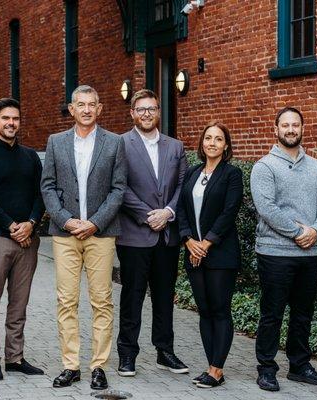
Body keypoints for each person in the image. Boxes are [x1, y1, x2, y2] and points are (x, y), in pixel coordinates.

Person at [41, 85, 126, 390]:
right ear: (72, 109)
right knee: (67, 301)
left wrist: (95, 222)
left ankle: (99, 366)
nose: (87, 109)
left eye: (92, 104)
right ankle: (70, 365)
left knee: (102, 301)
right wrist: (65, 220)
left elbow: (119, 189)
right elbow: (47, 187)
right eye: (81, 104)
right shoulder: (56, 142)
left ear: (99, 109)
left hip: (100, 235)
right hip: (65, 235)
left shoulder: (115, 143)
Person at [251, 107, 317, 391]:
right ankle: (266, 368)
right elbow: (267, 208)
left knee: (303, 313)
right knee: (272, 313)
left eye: (295, 124)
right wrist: (299, 232)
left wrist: (316, 230)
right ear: (275, 130)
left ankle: (299, 365)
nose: (290, 129)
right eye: (285, 125)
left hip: (309, 253)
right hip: (275, 253)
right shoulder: (265, 166)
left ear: (302, 128)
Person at [115, 89, 189, 378]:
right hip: (134, 235)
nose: (147, 114)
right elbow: (119, 186)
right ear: (132, 113)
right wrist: (148, 215)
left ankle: (164, 351)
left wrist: (168, 212)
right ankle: (127, 354)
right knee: (132, 296)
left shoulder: (175, 147)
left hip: (167, 236)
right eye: (141, 109)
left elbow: (183, 185)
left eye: (152, 108)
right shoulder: (120, 144)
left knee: (164, 295)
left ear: (159, 112)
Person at [0, 98, 45, 381]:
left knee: (19, 304)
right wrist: (12, 225)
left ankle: (15, 358)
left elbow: (41, 194)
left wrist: (31, 224)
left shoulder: (29, 157)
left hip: (28, 241)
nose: (11, 123)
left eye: (15, 118)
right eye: (5, 118)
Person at [177, 122, 243, 388]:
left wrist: (206, 244)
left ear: (226, 145)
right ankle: (211, 365)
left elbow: (229, 212)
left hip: (220, 254)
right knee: (204, 311)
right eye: (208, 138)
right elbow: (182, 210)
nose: (212, 143)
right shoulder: (193, 173)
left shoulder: (232, 174)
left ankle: (217, 369)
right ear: (202, 143)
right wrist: (189, 241)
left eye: (218, 139)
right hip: (194, 252)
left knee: (219, 310)